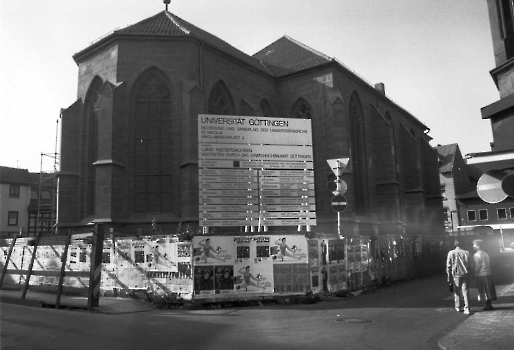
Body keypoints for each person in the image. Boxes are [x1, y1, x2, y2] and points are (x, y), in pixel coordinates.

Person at [446, 240, 472, 314]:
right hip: (466, 274)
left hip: (456, 275)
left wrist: (448, 276)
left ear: (455, 245)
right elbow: (471, 264)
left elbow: (448, 266)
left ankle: (458, 306)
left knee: (456, 291)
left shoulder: (451, 253)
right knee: (466, 291)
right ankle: (467, 308)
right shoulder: (467, 253)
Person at [472, 239, 497, 311]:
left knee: (484, 290)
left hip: (481, 274)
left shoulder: (476, 255)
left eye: (474, 245)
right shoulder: (485, 253)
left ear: (478, 246)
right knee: (488, 290)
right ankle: (489, 304)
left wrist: (474, 273)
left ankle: (488, 305)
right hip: (488, 273)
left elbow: (477, 266)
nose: (473, 246)